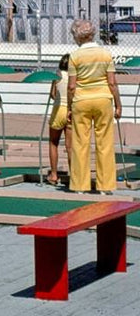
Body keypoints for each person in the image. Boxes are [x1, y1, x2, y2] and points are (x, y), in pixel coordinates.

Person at [66, 18, 122, 194]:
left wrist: (68, 107)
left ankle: (80, 186)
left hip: (81, 101)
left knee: (80, 144)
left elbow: (71, 86)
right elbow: (112, 82)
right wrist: (118, 105)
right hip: (103, 100)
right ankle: (105, 186)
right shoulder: (105, 54)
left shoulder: (74, 57)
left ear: (78, 36)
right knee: (104, 143)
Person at [46, 53, 71, 187]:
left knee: (53, 142)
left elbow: (53, 94)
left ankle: (54, 174)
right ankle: (74, 176)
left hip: (58, 110)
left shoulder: (57, 74)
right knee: (70, 146)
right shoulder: (76, 76)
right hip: (71, 110)